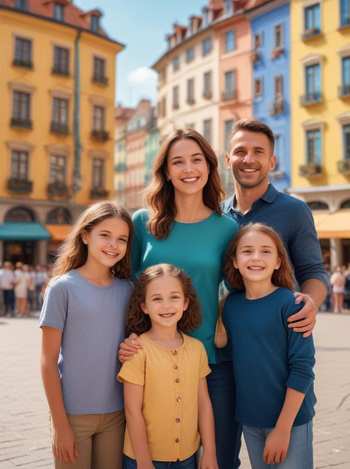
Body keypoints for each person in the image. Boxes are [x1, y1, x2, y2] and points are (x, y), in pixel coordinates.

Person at [121, 128, 240, 468]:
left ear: (209, 166)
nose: (188, 169)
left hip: (208, 361)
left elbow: (238, 291)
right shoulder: (143, 223)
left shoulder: (227, 228)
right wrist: (129, 337)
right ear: (166, 172)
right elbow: (127, 288)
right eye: (178, 162)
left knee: (217, 458)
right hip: (149, 359)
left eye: (196, 160)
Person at [40, 201, 134, 469]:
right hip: (72, 415)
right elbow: (47, 363)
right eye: (105, 235)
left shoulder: (128, 289)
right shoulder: (62, 289)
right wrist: (60, 425)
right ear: (85, 236)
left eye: (122, 239)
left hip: (117, 414)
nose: (112, 245)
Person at [216, 223, 316, 468]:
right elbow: (228, 353)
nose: (256, 258)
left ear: (279, 261)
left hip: (291, 422)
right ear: (236, 261)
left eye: (266, 251)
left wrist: (283, 429)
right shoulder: (230, 306)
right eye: (247, 251)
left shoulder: (291, 304)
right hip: (250, 422)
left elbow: (303, 369)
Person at [222, 119, 329, 329]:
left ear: (272, 162)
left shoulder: (294, 211)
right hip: (223, 339)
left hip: (278, 336)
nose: (248, 159)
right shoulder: (217, 215)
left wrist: (310, 303)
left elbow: (314, 271)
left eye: (258, 152)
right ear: (228, 160)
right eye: (240, 151)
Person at [118, 264, 217, 469]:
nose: (166, 306)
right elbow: (132, 410)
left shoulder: (197, 349)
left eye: (174, 297)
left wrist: (209, 451)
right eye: (156, 299)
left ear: (186, 303)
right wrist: (144, 462)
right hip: (143, 458)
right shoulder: (137, 351)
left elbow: (204, 403)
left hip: (187, 458)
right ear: (144, 306)